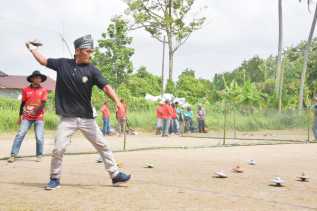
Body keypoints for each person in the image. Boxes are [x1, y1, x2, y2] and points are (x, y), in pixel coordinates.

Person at [25, 34, 131, 190]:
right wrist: (32, 47)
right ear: (78, 51)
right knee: (58, 148)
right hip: (68, 118)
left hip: (87, 118)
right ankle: (54, 178)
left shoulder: (92, 70)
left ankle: (115, 175)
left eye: (91, 51)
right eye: (88, 51)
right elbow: (43, 60)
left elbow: (106, 87)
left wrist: (117, 102)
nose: (91, 54)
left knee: (102, 145)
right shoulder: (62, 64)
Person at [8, 71, 48, 163]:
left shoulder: (44, 90)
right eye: (37, 77)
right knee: (20, 134)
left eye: (40, 78)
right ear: (32, 79)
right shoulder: (25, 90)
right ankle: (13, 155)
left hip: (39, 117)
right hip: (27, 117)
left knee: (39, 136)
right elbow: (22, 104)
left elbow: (43, 103)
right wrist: (19, 116)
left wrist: (35, 110)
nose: (39, 79)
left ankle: (39, 155)